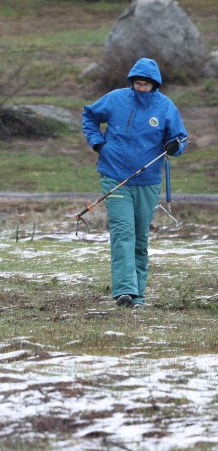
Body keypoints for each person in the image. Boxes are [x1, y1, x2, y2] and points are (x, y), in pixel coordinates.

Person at [82, 58, 187, 308]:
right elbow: (89, 115)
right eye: (137, 83)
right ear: (132, 81)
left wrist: (175, 146)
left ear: (154, 85)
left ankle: (137, 296)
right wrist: (98, 143)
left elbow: (180, 138)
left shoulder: (165, 106)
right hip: (114, 176)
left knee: (140, 238)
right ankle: (124, 292)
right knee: (123, 232)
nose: (140, 87)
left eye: (145, 84)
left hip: (148, 181)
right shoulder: (116, 98)